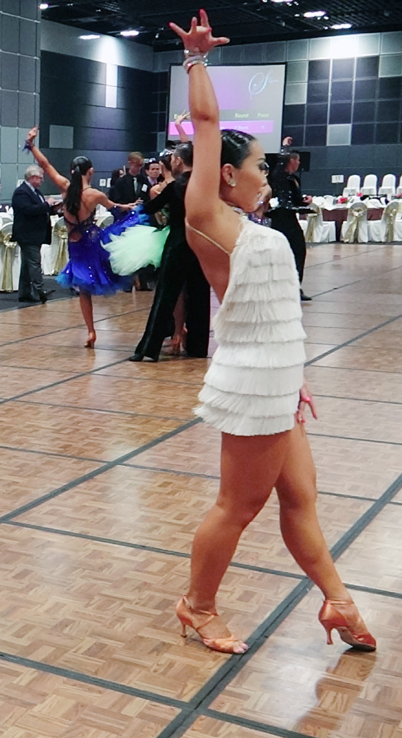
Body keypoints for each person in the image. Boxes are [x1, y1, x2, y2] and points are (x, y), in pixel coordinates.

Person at [168, 10, 374, 654]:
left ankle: (338, 601)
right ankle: (198, 606)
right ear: (227, 173)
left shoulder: (253, 226)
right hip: (253, 384)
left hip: (280, 381)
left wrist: (298, 376)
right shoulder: (208, 219)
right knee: (238, 506)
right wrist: (196, 61)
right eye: (260, 164)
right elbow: (206, 124)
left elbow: (278, 311)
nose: (269, 173)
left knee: (301, 500)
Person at [26, 129, 135, 348]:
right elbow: (115, 208)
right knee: (111, 270)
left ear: (72, 172)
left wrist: (31, 145)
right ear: (91, 171)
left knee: (84, 291)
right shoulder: (95, 194)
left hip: (75, 245)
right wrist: (130, 207)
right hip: (93, 241)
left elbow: (45, 164)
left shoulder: (65, 188)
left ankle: (91, 330)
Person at [130, 143, 211, 362]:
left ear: (179, 161)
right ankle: (198, 347)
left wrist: (130, 210)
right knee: (200, 295)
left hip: (178, 244)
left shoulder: (176, 186)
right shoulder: (204, 185)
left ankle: (149, 348)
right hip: (200, 245)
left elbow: (150, 207)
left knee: (165, 295)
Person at [269, 142, 311, 301]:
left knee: (296, 251)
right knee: (291, 251)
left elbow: (294, 200)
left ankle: (294, 286)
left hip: (288, 218)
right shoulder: (278, 177)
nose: (299, 163)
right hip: (281, 219)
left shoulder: (292, 179)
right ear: (291, 161)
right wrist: (284, 147)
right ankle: (287, 287)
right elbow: (283, 201)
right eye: (297, 160)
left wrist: (304, 202)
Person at [11, 165, 56, 304]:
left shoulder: (36, 192)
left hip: (35, 233)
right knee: (35, 263)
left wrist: (54, 208)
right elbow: (29, 210)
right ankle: (40, 290)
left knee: (27, 264)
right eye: (40, 178)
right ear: (32, 177)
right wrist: (47, 205)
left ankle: (24, 292)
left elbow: (40, 209)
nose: (42, 180)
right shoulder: (21, 192)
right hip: (27, 234)